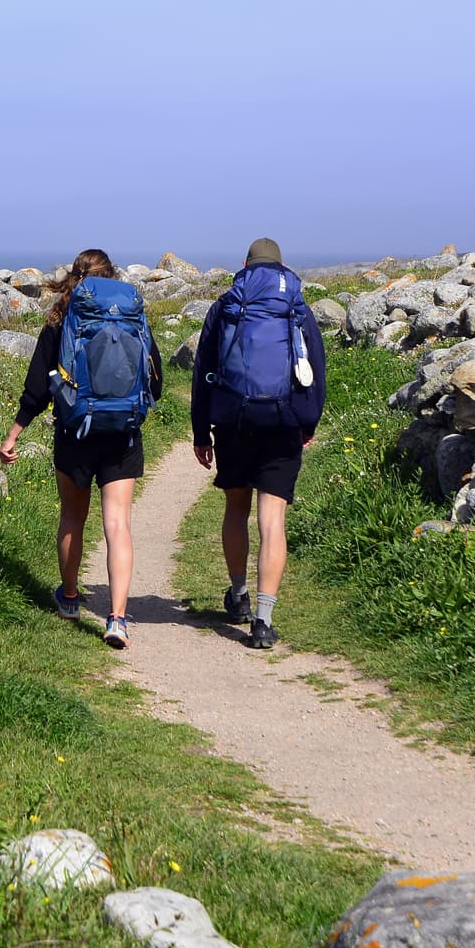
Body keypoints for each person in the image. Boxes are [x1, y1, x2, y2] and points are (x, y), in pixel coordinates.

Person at [0, 248, 162, 649]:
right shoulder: (131, 317)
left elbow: (37, 387)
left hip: (74, 433)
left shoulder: (60, 319)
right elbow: (154, 379)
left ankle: (69, 600)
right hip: (122, 434)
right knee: (118, 525)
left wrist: (14, 433)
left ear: (75, 276)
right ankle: (118, 619)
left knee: (73, 517)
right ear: (112, 277)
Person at [190, 237, 326, 649]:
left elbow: (204, 370)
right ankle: (263, 622)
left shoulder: (228, 305)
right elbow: (314, 367)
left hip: (233, 421)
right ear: (281, 267)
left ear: (246, 264)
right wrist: (307, 423)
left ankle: (238, 596)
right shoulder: (295, 307)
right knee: (273, 520)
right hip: (282, 422)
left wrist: (201, 431)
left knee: (236, 508)